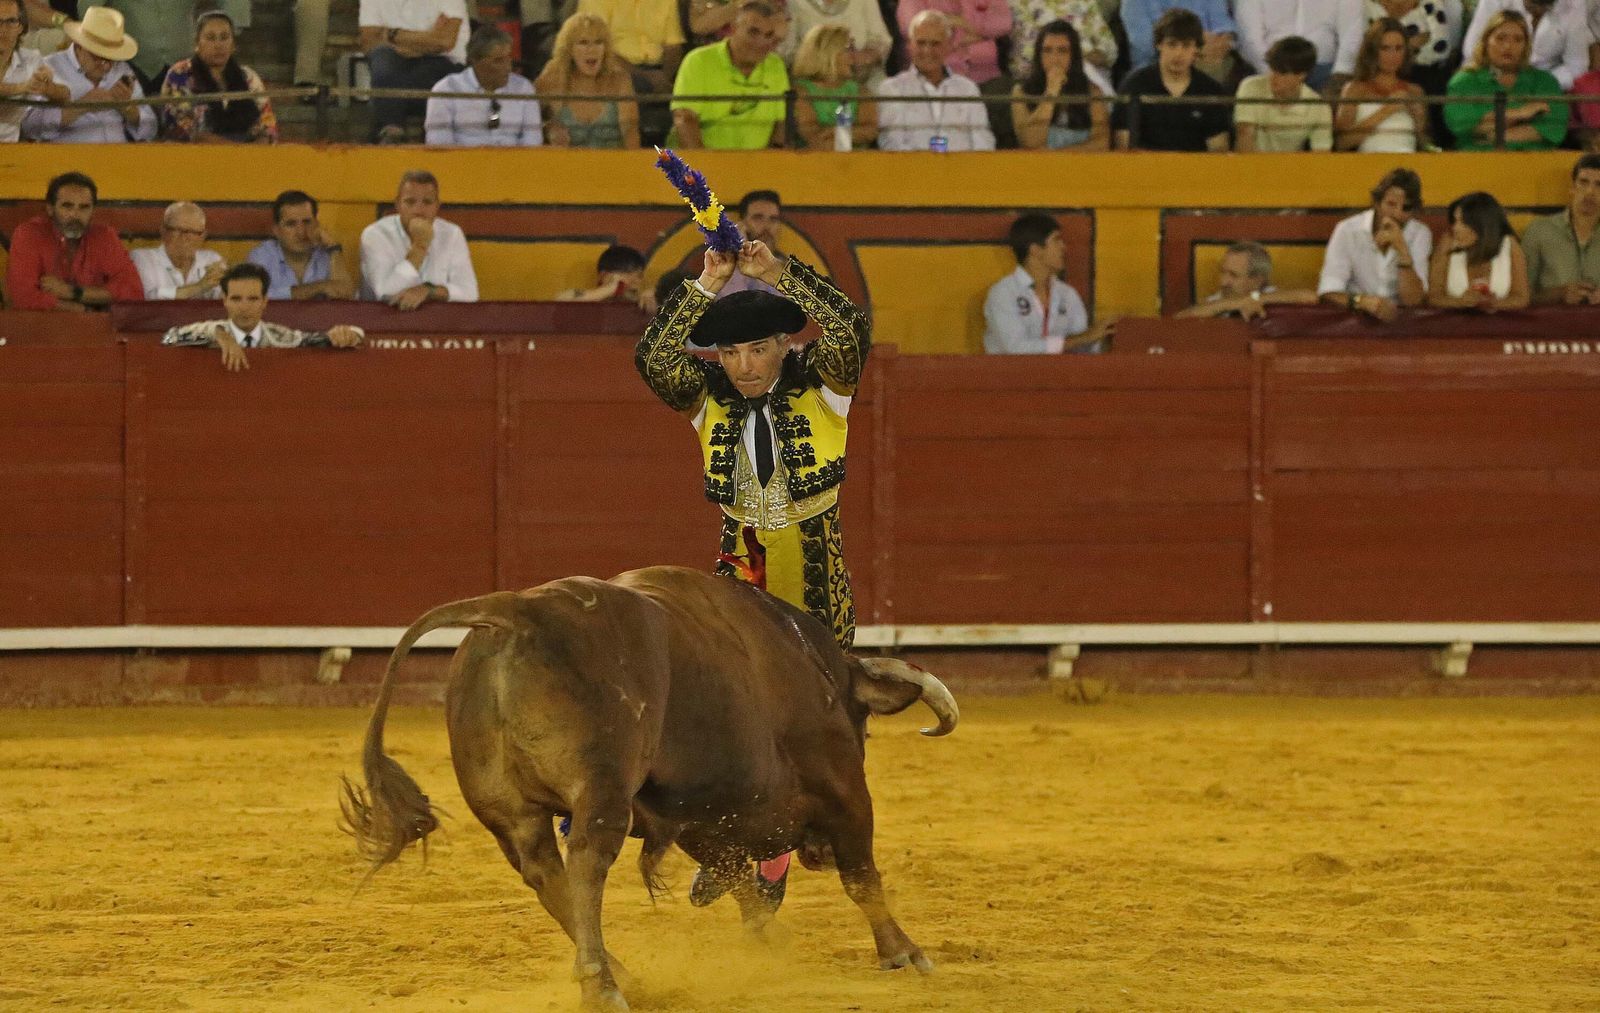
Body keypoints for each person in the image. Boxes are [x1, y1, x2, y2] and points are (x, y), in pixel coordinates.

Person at [160, 263, 364, 373]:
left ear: (265, 301)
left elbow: (321, 339)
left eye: (253, 299)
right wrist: (218, 335)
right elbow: (169, 338)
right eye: (236, 299)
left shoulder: (279, 337)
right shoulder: (212, 331)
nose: (244, 307)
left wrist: (351, 334)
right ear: (225, 301)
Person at [5, 170, 143, 311]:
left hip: (94, 323)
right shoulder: (29, 234)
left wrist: (72, 292)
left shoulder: (104, 236)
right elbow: (22, 298)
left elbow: (133, 291)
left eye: (84, 207)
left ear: (93, 211)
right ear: (50, 209)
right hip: (43, 324)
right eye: (67, 206)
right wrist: (82, 309)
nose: (75, 215)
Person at [983, 212, 1114, 353]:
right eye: (1056, 240)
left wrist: (1103, 337)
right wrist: (1083, 338)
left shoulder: (1067, 294)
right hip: (1014, 368)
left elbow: (1083, 349)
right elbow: (1016, 349)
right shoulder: (1003, 293)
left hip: (1062, 368)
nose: (1063, 246)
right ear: (1035, 250)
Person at [21, 6, 155, 142]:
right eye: (98, 58)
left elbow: (150, 130)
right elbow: (29, 127)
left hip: (119, 153)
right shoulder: (50, 67)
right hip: (70, 154)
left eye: (111, 59)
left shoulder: (121, 69)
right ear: (79, 45)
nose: (106, 66)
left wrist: (127, 108)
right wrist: (81, 106)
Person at [1317, 167, 1432, 321]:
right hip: (1355, 318)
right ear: (1377, 203)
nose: (1398, 214)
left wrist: (1402, 250)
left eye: (1406, 208)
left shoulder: (1420, 233)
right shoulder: (1348, 230)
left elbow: (1414, 300)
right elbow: (1328, 291)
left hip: (1401, 321)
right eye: (1391, 204)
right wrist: (1363, 302)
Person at [671, 0, 789, 149]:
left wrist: (772, 161)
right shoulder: (698, 61)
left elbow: (781, 125)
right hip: (703, 160)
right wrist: (704, 162)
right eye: (753, 32)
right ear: (734, 28)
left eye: (769, 35)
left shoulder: (775, 65)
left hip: (761, 161)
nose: (761, 42)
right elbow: (685, 119)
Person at [1445, 9, 1565, 151]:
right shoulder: (1465, 81)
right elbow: (1460, 124)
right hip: (1478, 158)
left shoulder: (1544, 82)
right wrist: (1521, 114)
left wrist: (1495, 135)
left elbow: (1554, 126)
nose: (1508, 46)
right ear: (1486, 41)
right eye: (1500, 38)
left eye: (1518, 40)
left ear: (1526, 46)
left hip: (1533, 159)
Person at [1113, 7, 1230, 151]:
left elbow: (1219, 150)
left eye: (1186, 46)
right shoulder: (1134, 85)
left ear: (1196, 49)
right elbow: (1124, 147)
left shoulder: (1210, 90)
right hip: (1145, 165)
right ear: (1159, 44)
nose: (1178, 54)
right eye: (1172, 44)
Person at [876, 10, 996, 151]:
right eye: (921, 43)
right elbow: (892, 144)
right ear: (909, 46)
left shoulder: (967, 89)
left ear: (948, 46)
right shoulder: (892, 89)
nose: (927, 50)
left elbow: (983, 141)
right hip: (913, 164)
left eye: (935, 44)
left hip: (962, 164)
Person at [359, 169, 479, 309]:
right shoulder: (375, 235)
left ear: (437, 206)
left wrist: (428, 291)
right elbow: (387, 293)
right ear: (398, 205)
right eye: (410, 202)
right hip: (382, 317)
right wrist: (420, 246)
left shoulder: (452, 234)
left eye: (427, 202)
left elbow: (470, 293)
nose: (419, 211)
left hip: (437, 318)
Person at [158, 10, 277, 144]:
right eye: (210, 38)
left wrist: (261, 143)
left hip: (249, 152)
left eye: (224, 37)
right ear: (197, 43)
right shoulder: (180, 74)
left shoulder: (248, 77)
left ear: (233, 45)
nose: (218, 45)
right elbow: (181, 130)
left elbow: (268, 125)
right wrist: (235, 150)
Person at [358, 0, 467, 143]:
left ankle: (389, 132)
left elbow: (444, 42)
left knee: (386, 85)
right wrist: (426, 40)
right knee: (382, 56)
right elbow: (368, 42)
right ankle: (392, 131)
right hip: (395, 68)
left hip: (443, 68)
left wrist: (392, 34)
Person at [535, 12, 640, 148]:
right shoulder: (553, 77)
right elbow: (525, 114)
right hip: (569, 161)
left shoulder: (619, 80)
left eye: (598, 42)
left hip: (613, 160)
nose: (592, 50)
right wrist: (549, 128)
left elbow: (631, 133)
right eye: (583, 42)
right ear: (569, 49)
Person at [426, 24, 542, 146]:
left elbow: (533, 140)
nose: (508, 67)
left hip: (515, 157)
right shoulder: (447, 90)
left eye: (509, 59)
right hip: (465, 157)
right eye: (498, 61)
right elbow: (439, 144)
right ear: (475, 61)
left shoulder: (523, 88)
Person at [1010, 19, 1109, 150]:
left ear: (1073, 56)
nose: (1054, 58)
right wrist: (1052, 91)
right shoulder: (1020, 92)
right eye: (1047, 50)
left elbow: (1102, 143)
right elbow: (1030, 143)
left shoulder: (1092, 91)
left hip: (1080, 162)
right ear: (1039, 55)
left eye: (1062, 50)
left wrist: (1058, 156)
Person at [1426, 191, 1530, 311]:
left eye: (1463, 223)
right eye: (1455, 221)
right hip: (1456, 321)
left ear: (1482, 225)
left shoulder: (1510, 245)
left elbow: (1521, 298)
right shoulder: (1447, 243)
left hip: (1500, 321)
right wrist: (1460, 302)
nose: (1455, 228)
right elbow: (1434, 297)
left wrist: (1495, 303)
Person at [1335, 18, 1427, 152]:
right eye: (1385, 48)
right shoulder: (1355, 89)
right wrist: (1388, 109)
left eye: (1398, 48)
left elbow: (1425, 145)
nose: (1393, 55)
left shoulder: (1415, 91)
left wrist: (1419, 120)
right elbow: (1341, 143)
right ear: (1372, 51)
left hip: (1408, 160)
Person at [246, 190, 357, 301]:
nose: (301, 232)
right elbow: (253, 297)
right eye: (291, 224)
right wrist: (318, 287)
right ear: (276, 231)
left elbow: (348, 295)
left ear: (316, 224)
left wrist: (334, 248)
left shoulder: (327, 254)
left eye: (307, 222)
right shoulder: (263, 255)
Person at [1235, 0, 1367, 92]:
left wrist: (1339, 77)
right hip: (1267, 68)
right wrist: (1275, 74)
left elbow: (1352, 35)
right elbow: (1249, 38)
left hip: (1324, 71)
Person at [1522, 153, 1600, 305]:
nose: (1590, 191)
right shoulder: (1540, 230)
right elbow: (1522, 296)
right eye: (1583, 182)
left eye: (1599, 185)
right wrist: (1559, 294)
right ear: (1572, 188)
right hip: (1551, 319)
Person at [1461, 0, 1588, 91]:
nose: (1537, 11)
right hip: (1490, 80)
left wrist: (1538, 84)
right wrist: (1505, 81)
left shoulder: (1575, 4)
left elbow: (1577, 67)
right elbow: (1473, 51)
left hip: (1544, 86)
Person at [1234, 35, 1332, 152]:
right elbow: (1244, 137)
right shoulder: (1250, 86)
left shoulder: (1319, 107)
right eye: (1272, 68)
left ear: (1301, 75)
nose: (1273, 77)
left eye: (1282, 72)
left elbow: (1321, 153)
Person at [791, 22, 881, 150]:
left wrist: (835, 133)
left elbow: (870, 130)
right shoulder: (801, 91)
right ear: (827, 53)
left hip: (855, 159)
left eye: (853, 48)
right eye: (848, 49)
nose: (854, 56)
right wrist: (849, 135)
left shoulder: (861, 92)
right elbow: (810, 132)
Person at [1176, 240, 1319, 319]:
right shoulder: (1218, 300)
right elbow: (1180, 320)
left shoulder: (1270, 294)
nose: (1223, 282)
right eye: (1223, 272)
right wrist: (1234, 303)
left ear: (1257, 280)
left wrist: (1254, 298)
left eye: (1233, 275)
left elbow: (1309, 297)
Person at [576, 0, 685, 94]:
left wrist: (665, 78)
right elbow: (594, 50)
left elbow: (674, 45)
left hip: (660, 73)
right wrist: (643, 77)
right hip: (614, 70)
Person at [895, 0, 1012, 85]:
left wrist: (961, 23)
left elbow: (1004, 23)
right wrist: (977, 35)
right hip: (934, 80)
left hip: (987, 75)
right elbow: (911, 27)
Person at [1009, 0, 1116, 91]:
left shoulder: (1086, 2)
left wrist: (1093, 57)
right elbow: (1023, 60)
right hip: (1042, 75)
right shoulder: (1019, 4)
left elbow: (1108, 48)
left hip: (1088, 70)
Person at [0, 0, 68, 144]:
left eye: (11, 21)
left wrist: (48, 88)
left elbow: (65, 94)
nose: (3, 29)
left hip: (10, 148)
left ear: (21, 27)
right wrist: (23, 87)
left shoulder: (31, 59)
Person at [130, 202, 227, 301]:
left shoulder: (212, 259)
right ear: (163, 231)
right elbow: (149, 297)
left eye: (193, 232)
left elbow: (226, 300)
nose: (185, 238)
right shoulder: (143, 258)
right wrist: (200, 287)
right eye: (178, 230)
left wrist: (225, 286)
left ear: (203, 236)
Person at [779, 0, 893, 85]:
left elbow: (881, 40)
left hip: (863, 76)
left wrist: (865, 56)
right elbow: (786, 51)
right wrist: (825, 61)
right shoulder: (793, 3)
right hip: (813, 79)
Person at [1121, 0, 1237, 82]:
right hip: (1154, 66)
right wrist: (1194, 43)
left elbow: (1224, 27)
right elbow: (1144, 43)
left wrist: (1221, 42)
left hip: (1207, 59)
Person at [555, 244, 657, 312]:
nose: (637, 281)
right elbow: (561, 302)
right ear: (604, 276)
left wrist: (654, 299)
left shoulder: (645, 299)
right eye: (628, 273)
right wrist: (610, 289)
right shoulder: (578, 296)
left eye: (639, 276)